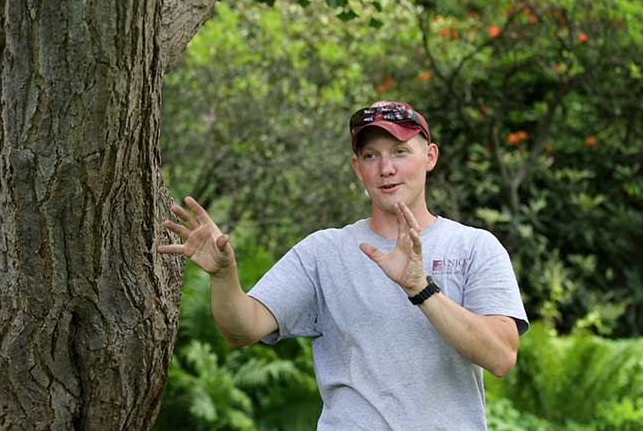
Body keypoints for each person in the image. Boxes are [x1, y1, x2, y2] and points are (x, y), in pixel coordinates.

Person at [158, 101, 529, 431]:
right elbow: (242, 329)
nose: (386, 168)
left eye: (400, 152)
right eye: (371, 156)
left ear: (430, 156)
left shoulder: (474, 247)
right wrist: (224, 276)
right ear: (357, 167)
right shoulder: (324, 252)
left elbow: (500, 356)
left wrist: (421, 288)